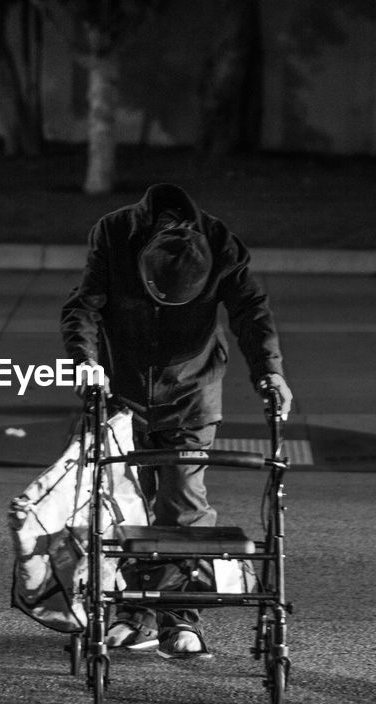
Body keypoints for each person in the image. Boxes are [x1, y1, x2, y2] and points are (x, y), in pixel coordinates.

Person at [61, 182, 293, 658]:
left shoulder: (219, 240)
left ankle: (180, 618)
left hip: (192, 389)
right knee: (130, 507)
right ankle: (135, 612)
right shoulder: (113, 232)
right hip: (124, 389)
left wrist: (269, 371)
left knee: (183, 502)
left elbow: (250, 309)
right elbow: (83, 306)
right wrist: (85, 362)